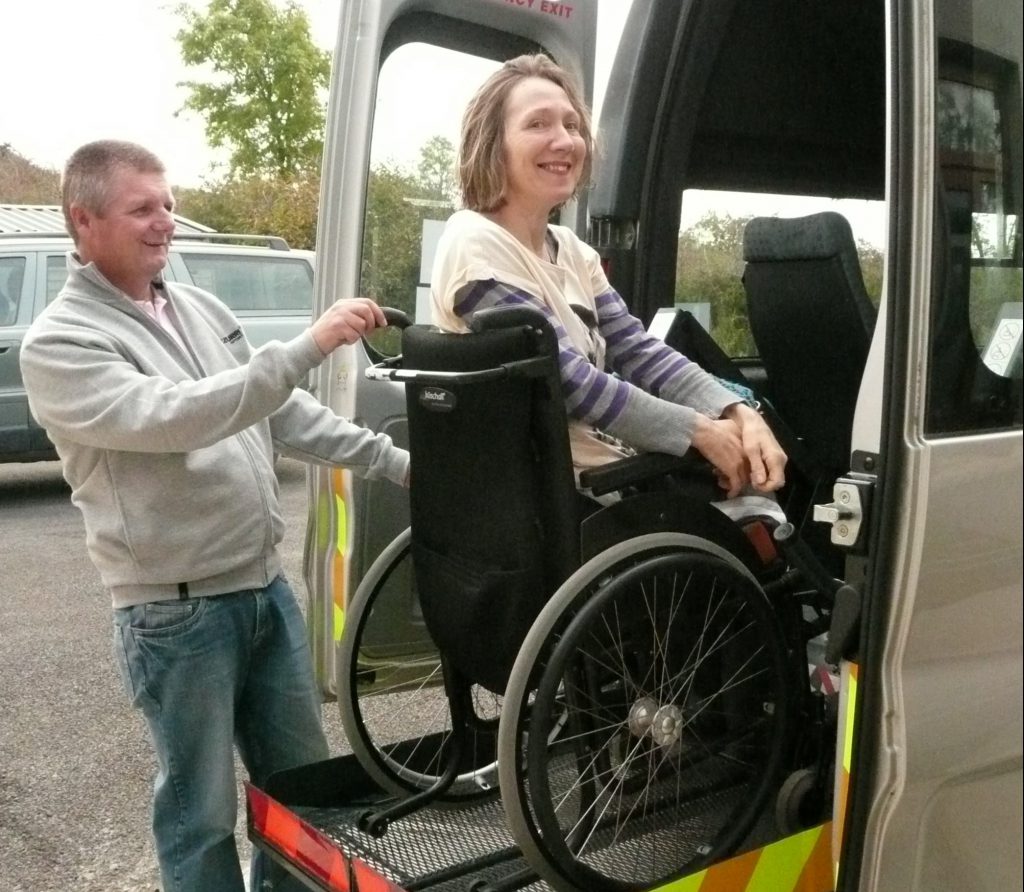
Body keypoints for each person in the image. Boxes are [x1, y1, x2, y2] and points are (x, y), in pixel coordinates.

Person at [18, 140, 409, 892]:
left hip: (265, 593)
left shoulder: (198, 306)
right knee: (199, 818)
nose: (166, 222)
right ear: (84, 220)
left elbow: (279, 411)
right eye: (143, 208)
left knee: (302, 799)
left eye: (168, 203)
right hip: (175, 616)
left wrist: (397, 463)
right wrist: (308, 345)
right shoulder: (60, 343)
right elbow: (175, 418)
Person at [431, 54, 786, 511]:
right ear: (492, 144)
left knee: (756, 503)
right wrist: (699, 432)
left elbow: (638, 352)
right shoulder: (475, 245)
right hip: (548, 498)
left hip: (597, 474)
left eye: (572, 125)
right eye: (537, 124)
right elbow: (568, 382)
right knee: (753, 518)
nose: (564, 140)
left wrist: (735, 411)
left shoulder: (572, 251)